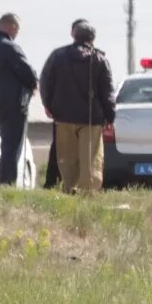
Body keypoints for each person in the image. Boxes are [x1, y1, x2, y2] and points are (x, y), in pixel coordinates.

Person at [39, 20, 116, 195]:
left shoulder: (57, 56)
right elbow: (108, 92)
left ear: (74, 35)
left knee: (66, 159)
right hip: (91, 119)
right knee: (91, 159)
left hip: (63, 117)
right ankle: (88, 193)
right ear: (93, 38)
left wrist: (48, 104)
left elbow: (45, 81)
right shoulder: (100, 60)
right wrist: (110, 117)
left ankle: (69, 189)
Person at [0, 12, 38, 186]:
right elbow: (26, 72)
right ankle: (7, 185)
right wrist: (33, 84)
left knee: (6, 147)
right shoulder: (10, 47)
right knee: (12, 149)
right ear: (12, 27)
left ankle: (4, 184)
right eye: (17, 29)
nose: (17, 33)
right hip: (14, 105)